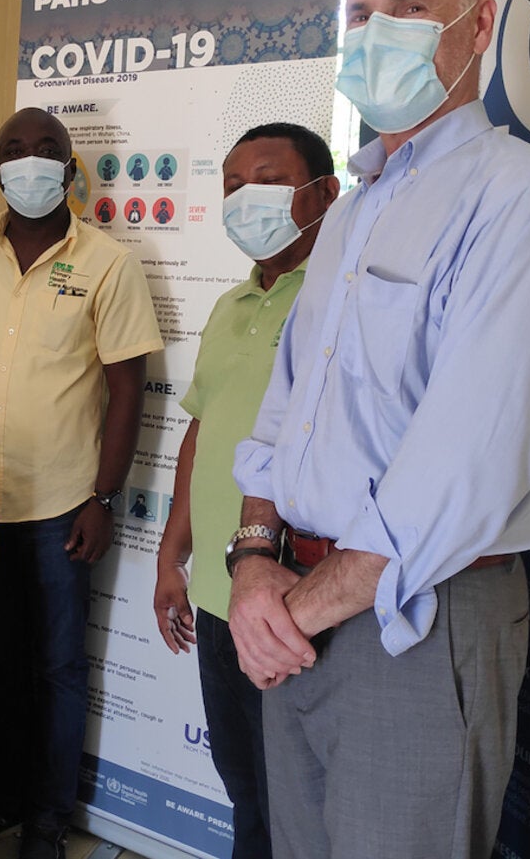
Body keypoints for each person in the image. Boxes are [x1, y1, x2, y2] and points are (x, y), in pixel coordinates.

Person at [227, 0, 530, 859]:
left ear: (476, 30)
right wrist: (254, 559)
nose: (374, 32)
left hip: (419, 621)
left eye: (407, 8)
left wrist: (295, 611)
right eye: (359, 14)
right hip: (296, 601)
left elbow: (469, 459)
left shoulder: (525, 197)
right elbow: (286, 405)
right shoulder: (352, 215)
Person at [0, 107, 163, 859]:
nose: (29, 162)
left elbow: (127, 388)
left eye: (46, 151)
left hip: (61, 505)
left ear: (70, 169)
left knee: (58, 670)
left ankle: (46, 827)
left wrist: (101, 497)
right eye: (13, 151)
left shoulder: (108, 263)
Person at [153, 122, 338, 859]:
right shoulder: (231, 307)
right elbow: (202, 433)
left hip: (298, 596)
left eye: (264, 179)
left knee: (301, 800)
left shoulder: (338, 298)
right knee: (247, 793)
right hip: (220, 597)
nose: (242, 198)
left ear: (324, 193)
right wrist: (174, 556)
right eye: (231, 185)